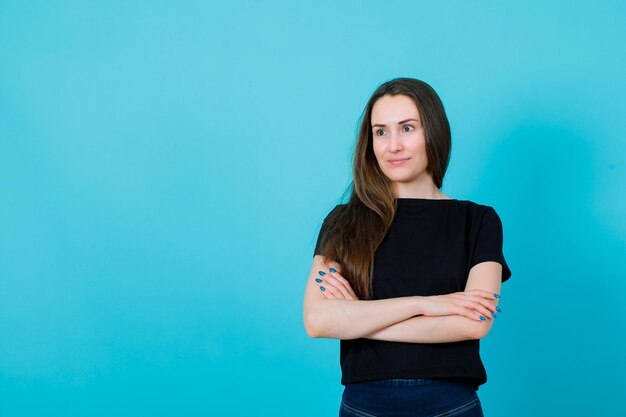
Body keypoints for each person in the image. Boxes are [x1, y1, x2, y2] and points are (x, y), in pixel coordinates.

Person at [302, 77, 512, 417]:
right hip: (364, 406)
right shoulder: (344, 221)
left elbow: (475, 323)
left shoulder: (478, 221)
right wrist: (428, 304)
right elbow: (317, 320)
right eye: (381, 132)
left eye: (407, 128)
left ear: (434, 132)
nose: (393, 145)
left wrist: (359, 318)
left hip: (451, 405)